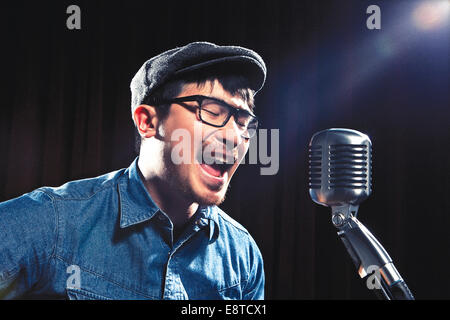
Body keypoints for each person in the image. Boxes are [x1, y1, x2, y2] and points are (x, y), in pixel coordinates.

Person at [0, 42, 267, 300]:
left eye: (243, 122)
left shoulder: (243, 258)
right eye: (212, 111)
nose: (235, 136)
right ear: (147, 121)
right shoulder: (54, 221)